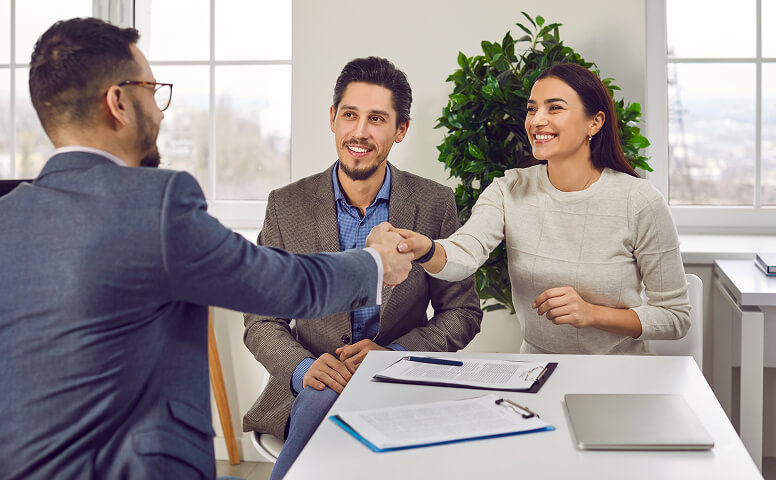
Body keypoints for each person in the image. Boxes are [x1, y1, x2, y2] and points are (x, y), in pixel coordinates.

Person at [0, 18, 414, 480]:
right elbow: (280, 284)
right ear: (118, 103)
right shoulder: (155, 204)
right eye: (152, 92)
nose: (159, 112)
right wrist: (376, 263)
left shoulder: (8, 215)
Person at [243, 56, 483, 479]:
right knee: (321, 395)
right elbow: (262, 317)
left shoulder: (434, 203)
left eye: (377, 119)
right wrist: (304, 368)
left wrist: (393, 356)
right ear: (333, 119)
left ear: (400, 130)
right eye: (350, 115)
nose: (360, 131)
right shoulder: (286, 204)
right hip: (309, 382)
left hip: (400, 381)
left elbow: (462, 313)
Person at [396, 63, 690, 355]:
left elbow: (676, 317)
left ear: (595, 122)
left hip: (617, 377)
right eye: (532, 109)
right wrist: (425, 248)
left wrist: (593, 314)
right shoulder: (508, 188)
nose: (537, 120)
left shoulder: (639, 201)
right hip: (535, 374)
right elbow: (465, 252)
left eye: (555, 108)